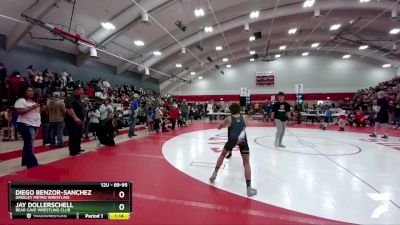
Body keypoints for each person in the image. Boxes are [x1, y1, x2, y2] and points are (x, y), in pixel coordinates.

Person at [209, 103, 257, 197]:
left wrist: (222, 126)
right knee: (246, 162)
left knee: (223, 155)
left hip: (232, 139)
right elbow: (248, 120)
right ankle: (248, 188)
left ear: (231, 110)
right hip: (242, 139)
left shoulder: (229, 118)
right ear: (239, 110)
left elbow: (219, 127)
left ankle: (214, 175)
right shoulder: (244, 117)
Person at [14, 86, 41, 168]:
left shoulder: (31, 100)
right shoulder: (21, 100)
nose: (31, 92)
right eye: (29, 91)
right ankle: (32, 163)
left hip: (33, 123)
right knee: (29, 144)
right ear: (24, 92)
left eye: (32, 91)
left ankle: (25, 161)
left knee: (29, 143)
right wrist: (32, 107)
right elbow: (20, 112)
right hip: (25, 124)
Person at [64, 85, 85, 156]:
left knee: (78, 135)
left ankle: (77, 148)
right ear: (75, 91)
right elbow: (69, 108)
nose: (81, 92)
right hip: (72, 121)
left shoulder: (79, 98)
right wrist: (75, 117)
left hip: (80, 120)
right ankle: (73, 151)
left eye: (82, 90)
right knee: (73, 135)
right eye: (80, 90)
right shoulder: (70, 98)